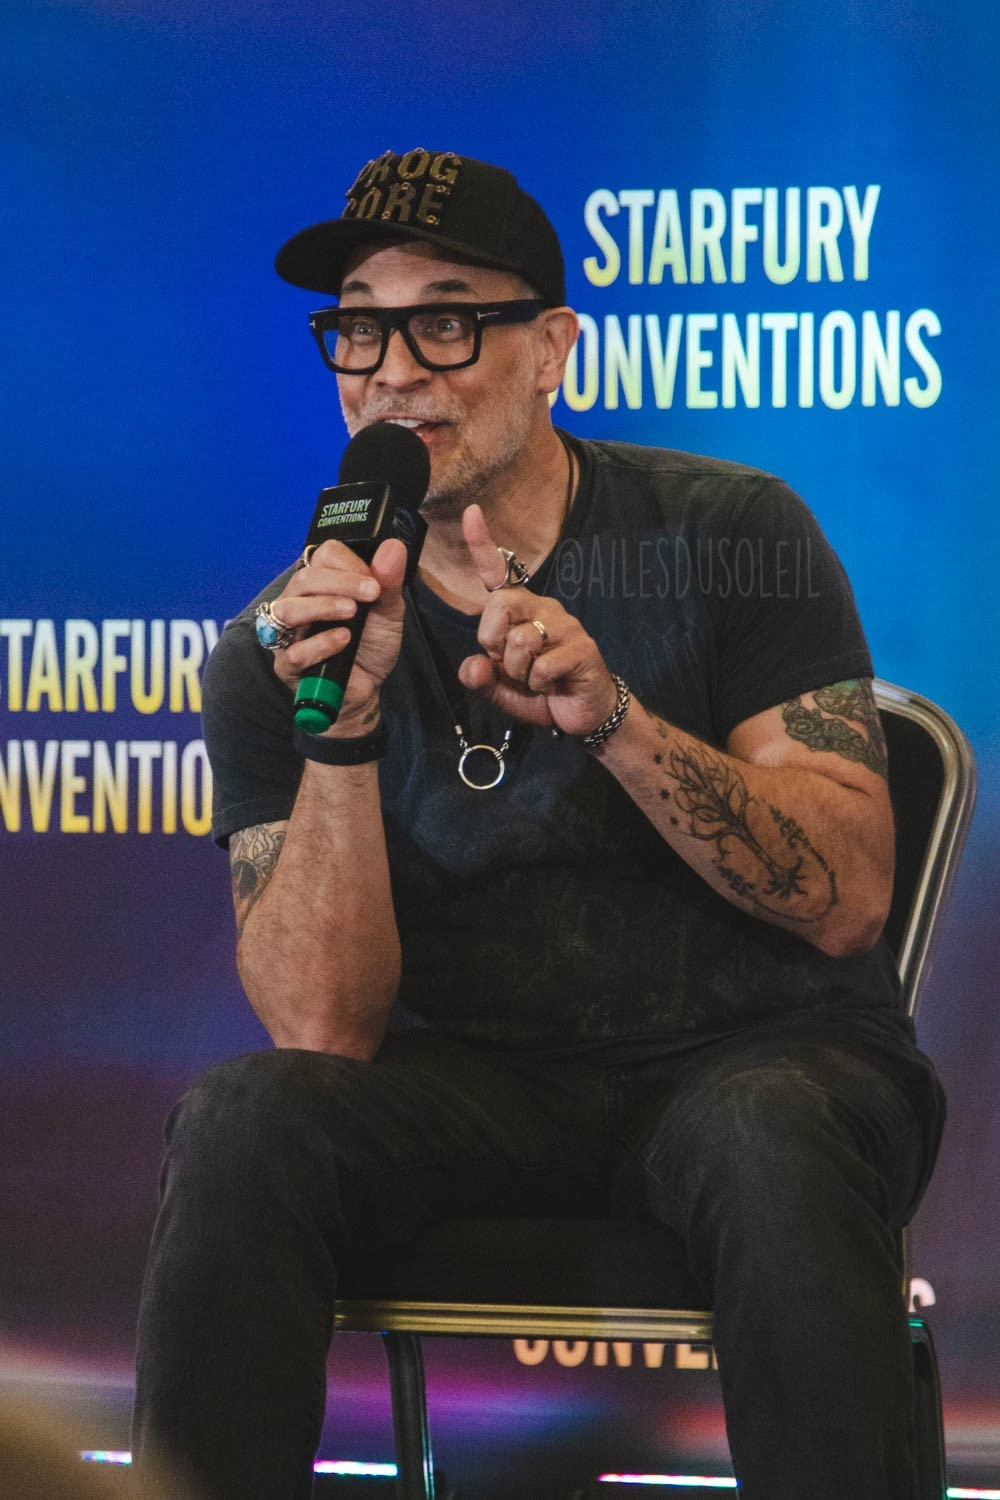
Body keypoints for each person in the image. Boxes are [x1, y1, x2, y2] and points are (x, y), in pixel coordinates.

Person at [132, 148, 945, 1500]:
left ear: (553, 346)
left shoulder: (729, 533)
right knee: (245, 1119)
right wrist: (344, 720)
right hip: (479, 1091)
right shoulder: (285, 646)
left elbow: (848, 894)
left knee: (768, 1132)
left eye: (446, 318)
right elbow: (324, 1032)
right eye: (358, 325)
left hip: (764, 1055)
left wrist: (615, 717)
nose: (393, 367)